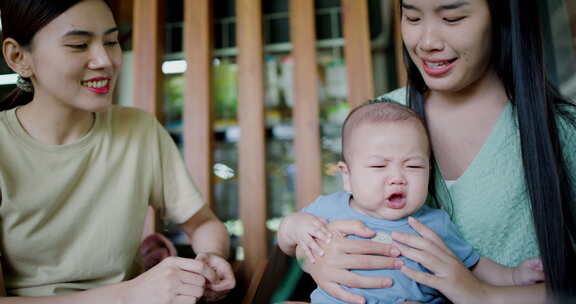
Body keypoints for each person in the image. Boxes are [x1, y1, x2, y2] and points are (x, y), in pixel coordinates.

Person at [283, 0, 576, 303]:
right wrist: (315, 260)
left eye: (452, 18)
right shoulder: (378, 117)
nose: (427, 42)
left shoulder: (563, 131)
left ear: (501, 19)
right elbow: (317, 229)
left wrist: (484, 295)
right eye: (411, 17)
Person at [0, 0, 235, 303]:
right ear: (18, 57)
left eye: (111, 42)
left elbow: (202, 222)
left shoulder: (139, 130)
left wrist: (210, 257)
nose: (105, 60)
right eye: (79, 45)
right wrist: (127, 295)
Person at [278, 101, 544, 303]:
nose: (397, 178)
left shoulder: (433, 224)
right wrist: (296, 226)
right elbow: (286, 240)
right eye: (379, 165)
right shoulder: (327, 209)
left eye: (414, 166)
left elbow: (474, 265)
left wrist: (514, 276)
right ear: (347, 176)